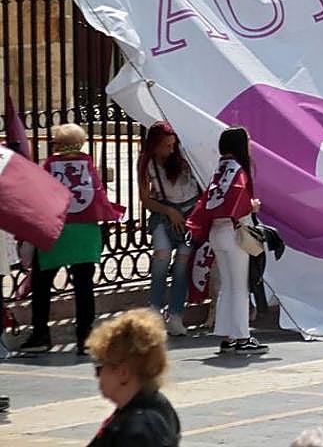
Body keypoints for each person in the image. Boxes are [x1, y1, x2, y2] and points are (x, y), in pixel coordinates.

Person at [22, 123, 124, 355]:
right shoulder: (88, 164)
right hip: (85, 232)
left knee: (41, 284)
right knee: (84, 287)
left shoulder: (51, 164)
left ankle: (41, 334)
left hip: (58, 231)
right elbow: (98, 196)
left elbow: (41, 195)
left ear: (59, 144)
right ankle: (85, 338)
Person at [186, 126, 267, 356]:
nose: (250, 144)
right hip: (234, 232)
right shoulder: (238, 169)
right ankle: (243, 337)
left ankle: (228, 336)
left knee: (228, 286)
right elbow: (236, 200)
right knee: (240, 287)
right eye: (248, 140)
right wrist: (251, 206)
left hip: (217, 232)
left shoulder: (220, 168)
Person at [137, 121, 200, 337]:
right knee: (161, 259)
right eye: (166, 145)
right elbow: (145, 198)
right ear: (154, 145)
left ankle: (176, 315)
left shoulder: (183, 156)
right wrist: (169, 211)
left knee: (182, 265)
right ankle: (154, 312)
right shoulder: (146, 162)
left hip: (190, 213)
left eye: (173, 145)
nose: (170, 150)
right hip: (164, 213)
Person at [85, 308, 180, 446]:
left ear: (124, 373)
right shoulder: (154, 404)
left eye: (100, 367)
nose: (97, 376)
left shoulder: (139, 431)